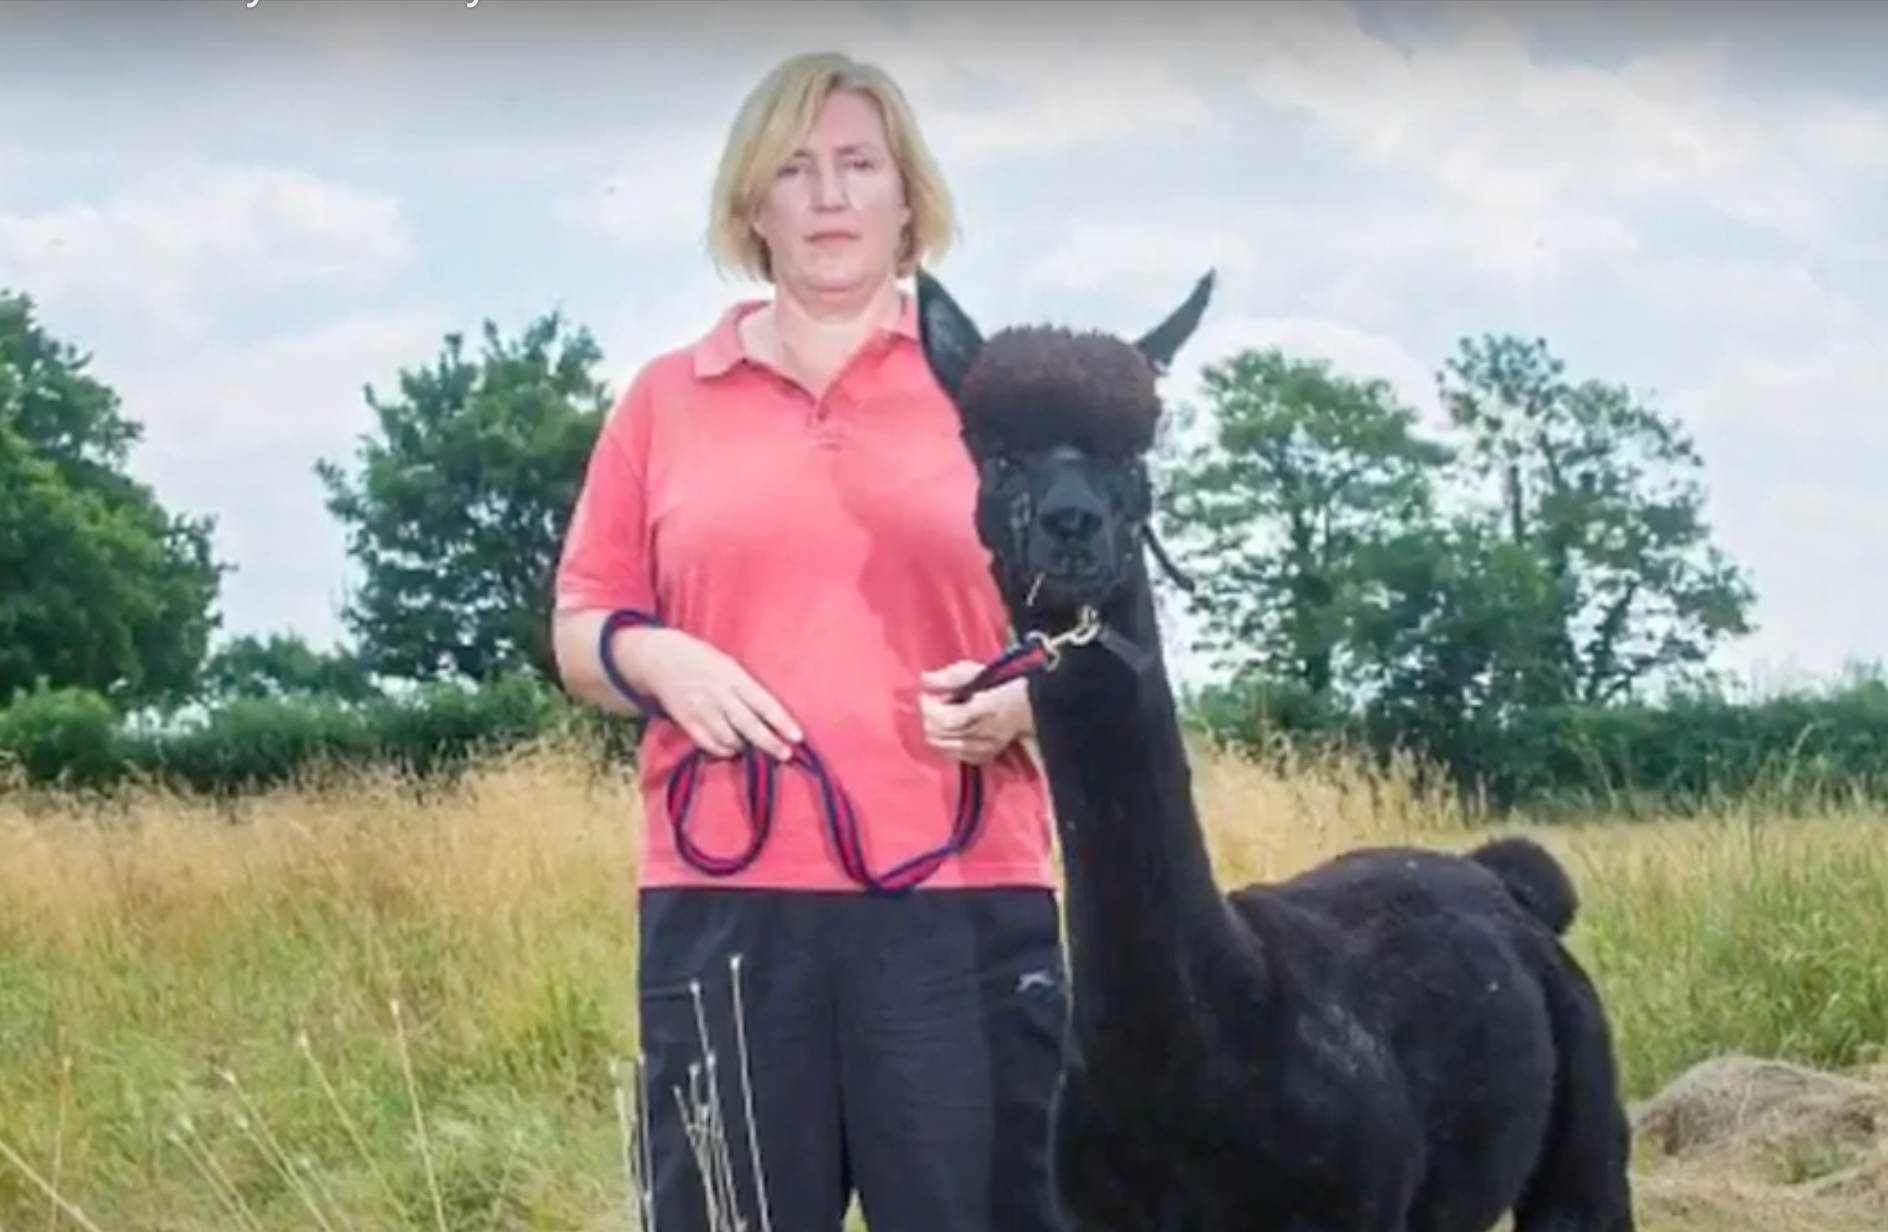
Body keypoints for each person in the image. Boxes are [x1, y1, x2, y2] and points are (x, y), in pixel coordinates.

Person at [551, 50, 1067, 1232]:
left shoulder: (1002, 403)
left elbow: (1090, 638)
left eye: (857, 165)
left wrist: (1026, 701)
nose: (828, 195)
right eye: (794, 167)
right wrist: (654, 656)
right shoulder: (663, 400)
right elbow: (581, 628)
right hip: (724, 908)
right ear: (752, 206)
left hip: (962, 899)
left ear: (907, 200)